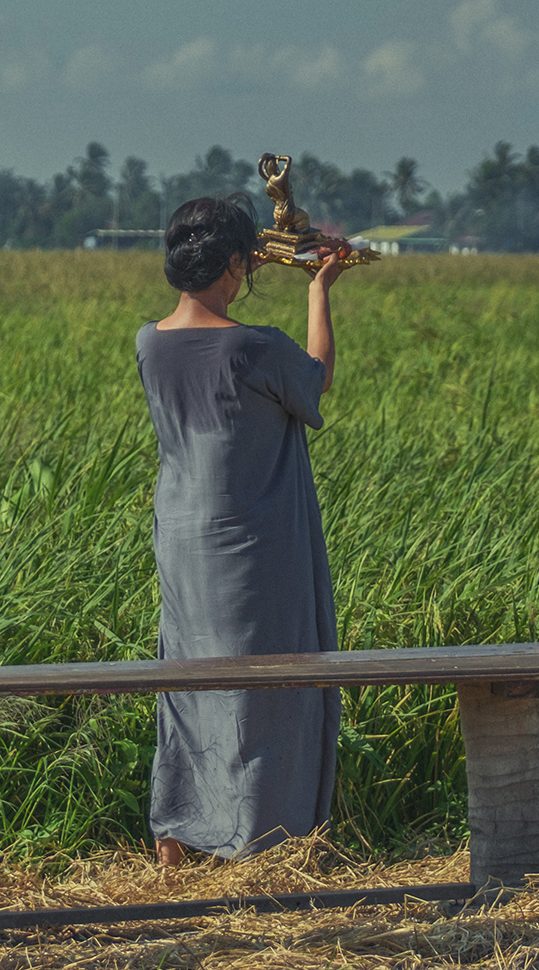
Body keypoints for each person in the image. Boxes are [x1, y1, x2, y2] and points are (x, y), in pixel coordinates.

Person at [134, 196, 349, 865]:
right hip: (253, 545)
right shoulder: (254, 347)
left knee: (189, 682)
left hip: (181, 540)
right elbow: (314, 383)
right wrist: (319, 289)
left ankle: (179, 832)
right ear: (233, 264)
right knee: (265, 689)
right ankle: (259, 840)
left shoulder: (149, 343)